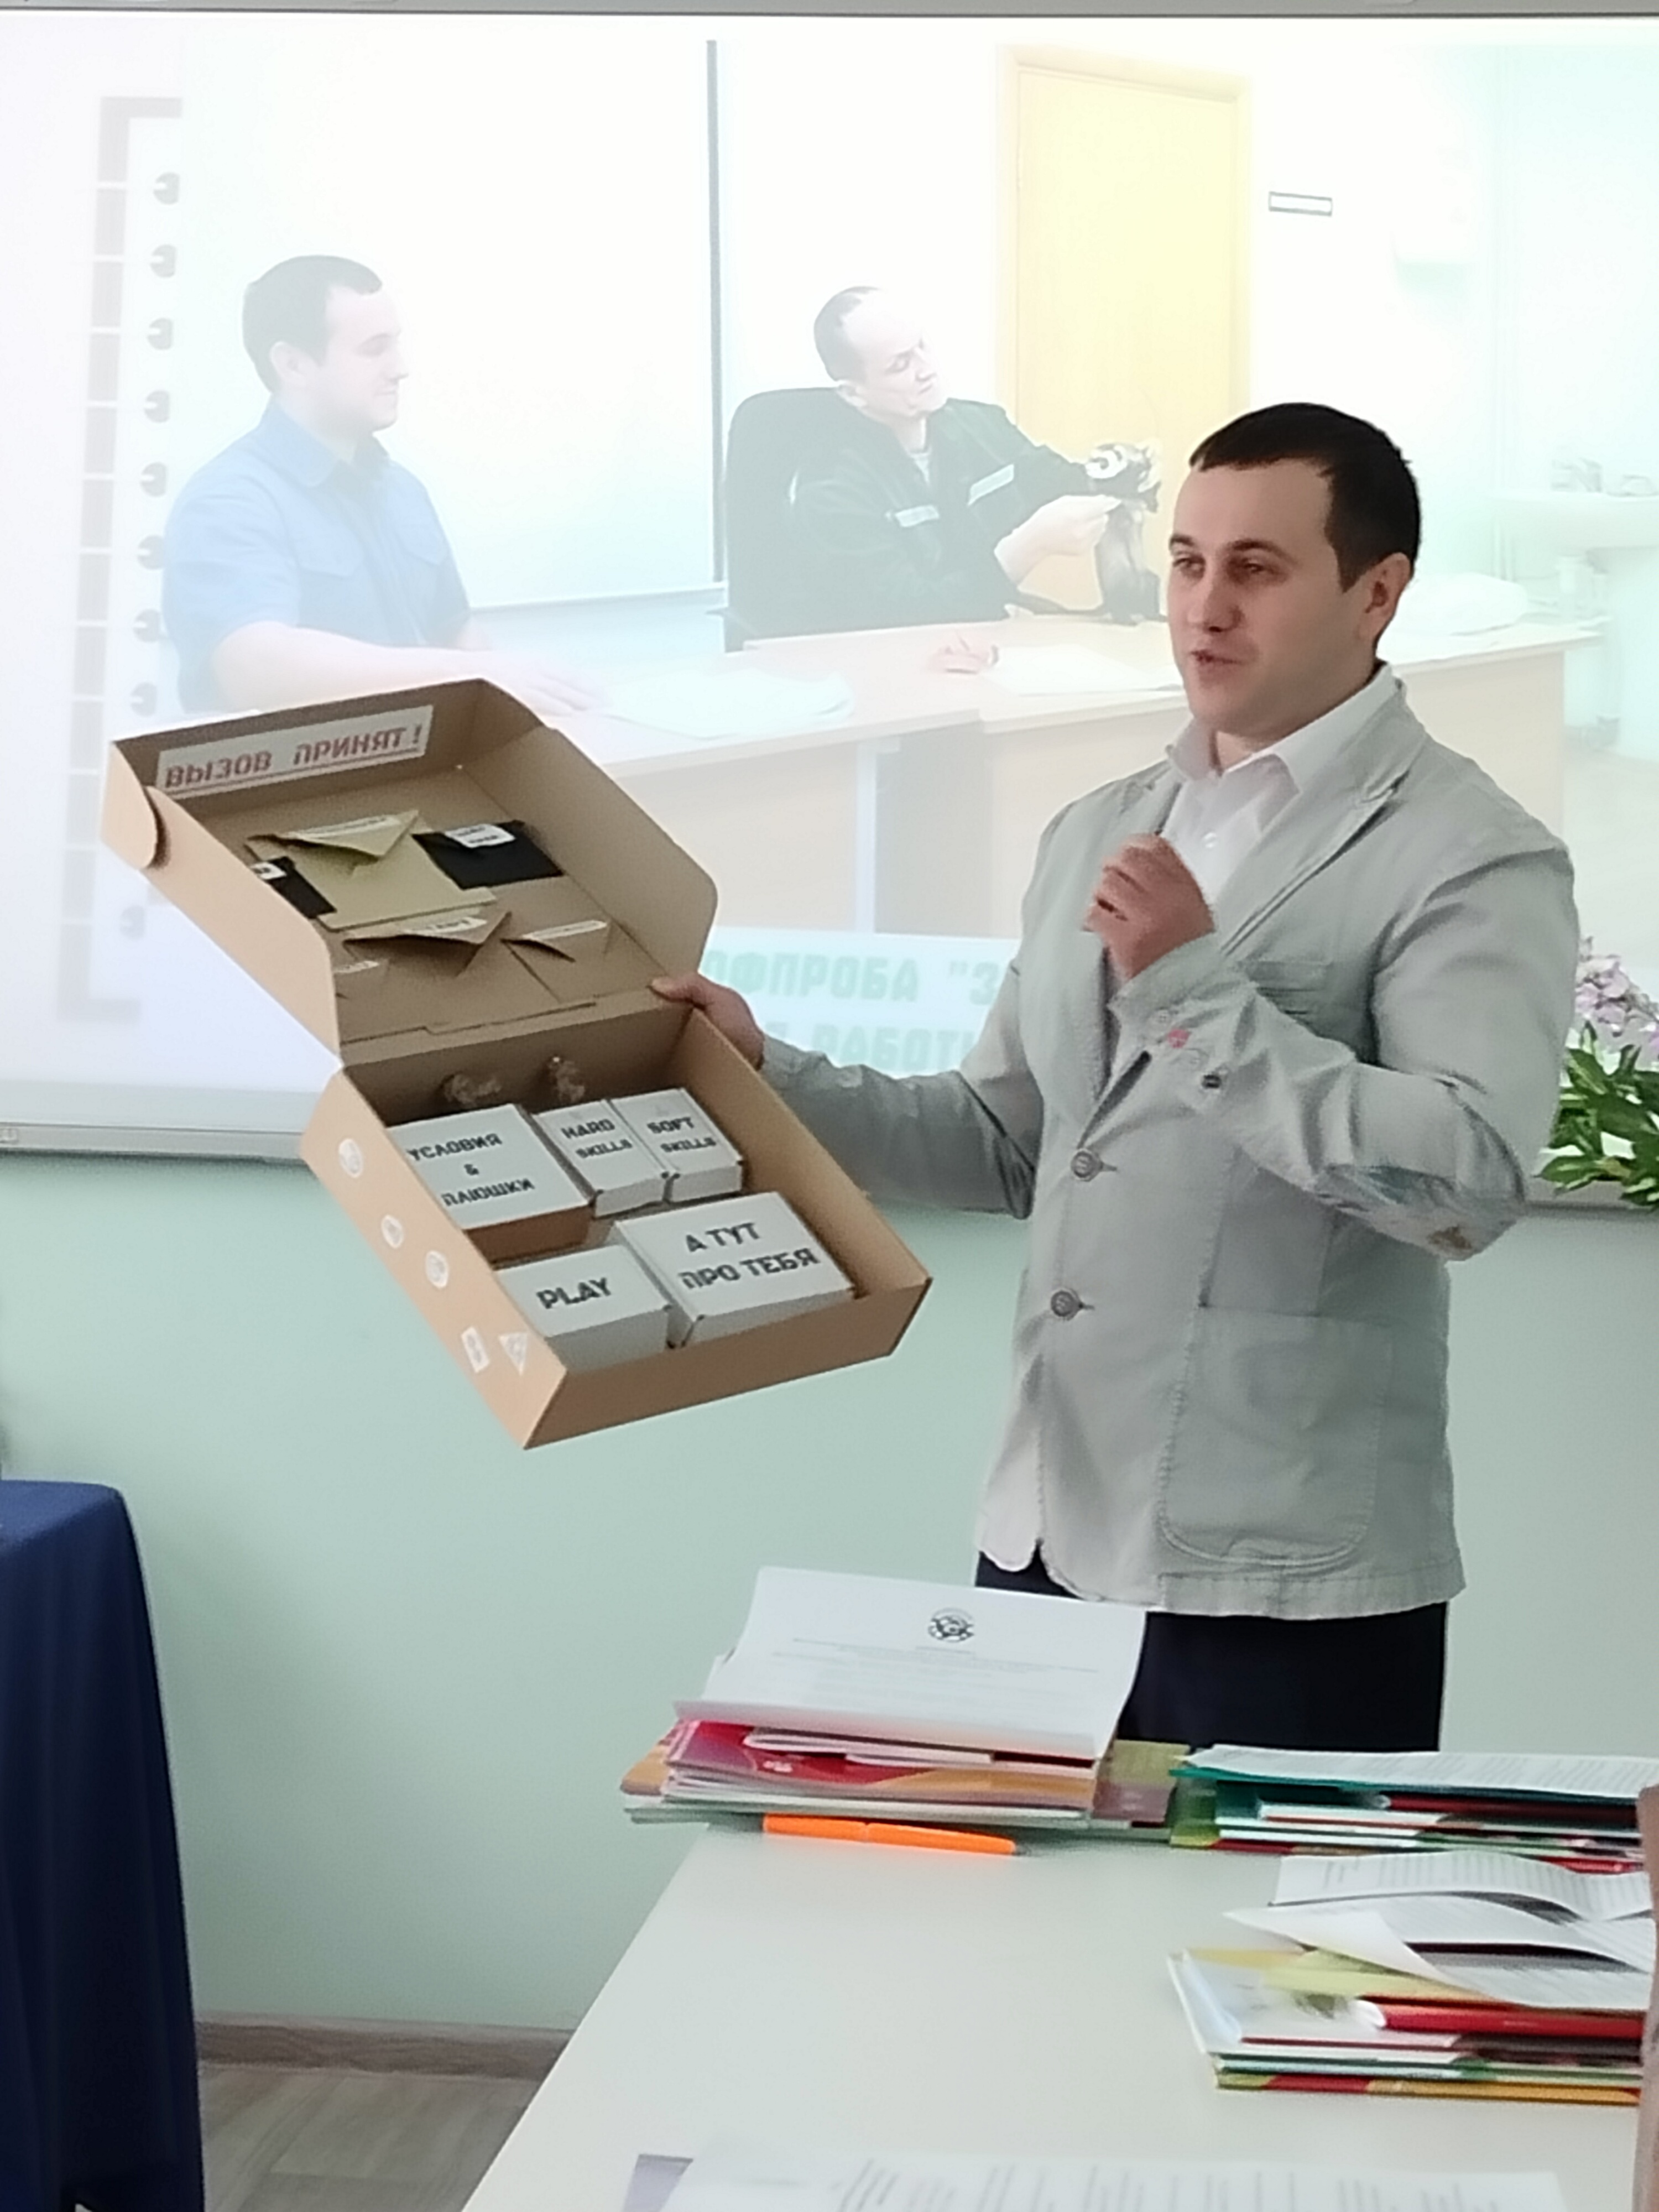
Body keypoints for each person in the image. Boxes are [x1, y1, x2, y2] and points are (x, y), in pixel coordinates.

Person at [658, 401, 1579, 1754]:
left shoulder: (1469, 851)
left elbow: (1466, 1177)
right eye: (1187, 561)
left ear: (1377, 592)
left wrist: (1189, 990)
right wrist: (761, 1073)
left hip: (1280, 1575)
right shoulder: (1097, 826)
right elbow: (1004, 1141)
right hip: (1040, 1536)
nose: (1204, 605)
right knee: (1021, 1894)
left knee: (1260, 1902)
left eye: (1255, 568)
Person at [164, 255, 590, 719]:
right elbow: (256, 666)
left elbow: (457, 633)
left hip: (430, 759)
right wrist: (470, 673)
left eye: (396, 345)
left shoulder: (404, 491)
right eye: (374, 349)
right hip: (316, 765)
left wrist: (524, 709)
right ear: (293, 364)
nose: (400, 368)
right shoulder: (229, 501)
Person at [788, 286, 1145, 632]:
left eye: (922, 345)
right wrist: (1026, 549)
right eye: (901, 364)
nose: (926, 369)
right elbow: (905, 614)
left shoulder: (980, 425)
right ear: (854, 394)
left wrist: (1121, 475)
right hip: (889, 657)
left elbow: (1051, 478)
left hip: (985, 639)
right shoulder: (829, 489)